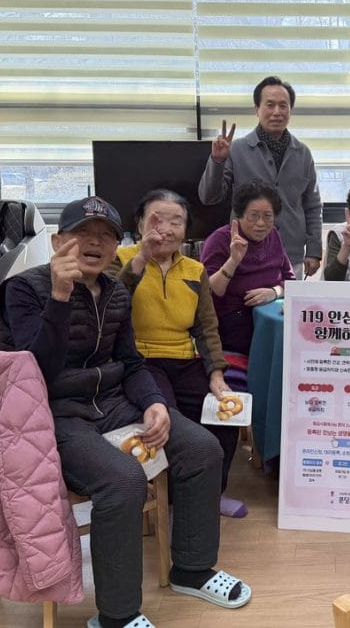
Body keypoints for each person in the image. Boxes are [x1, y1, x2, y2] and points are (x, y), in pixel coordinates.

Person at [0, 196, 251, 627]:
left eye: (106, 236)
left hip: (113, 402)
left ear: (117, 247)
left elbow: (131, 363)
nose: (95, 243)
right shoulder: (23, 289)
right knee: (123, 479)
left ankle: (192, 570)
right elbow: (35, 371)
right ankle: (115, 615)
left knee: (202, 449)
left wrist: (153, 402)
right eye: (83, 234)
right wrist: (60, 298)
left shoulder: (115, 291)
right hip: (52, 412)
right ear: (58, 241)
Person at [109, 189, 246, 519]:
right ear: (140, 224)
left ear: (186, 230)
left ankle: (212, 494)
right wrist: (142, 257)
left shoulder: (195, 270)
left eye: (176, 221)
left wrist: (216, 374)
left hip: (185, 361)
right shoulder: (121, 259)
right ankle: (170, 503)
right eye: (157, 220)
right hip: (140, 362)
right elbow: (109, 304)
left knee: (225, 417)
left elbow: (206, 327)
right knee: (171, 423)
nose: (166, 229)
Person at [198, 75, 322, 278]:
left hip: (291, 253)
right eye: (270, 105)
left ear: (291, 110)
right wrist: (217, 161)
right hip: (245, 252)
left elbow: (312, 205)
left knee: (287, 300)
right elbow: (209, 197)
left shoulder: (303, 153)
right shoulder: (237, 149)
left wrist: (314, 250)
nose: (277, 112)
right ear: (256, 109)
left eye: (283, 106)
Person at [202, 180, 295, 357]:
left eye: (268, 216)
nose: (261, 223)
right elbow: (210, 292)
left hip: (273, 310)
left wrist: (274, 292)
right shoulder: (220, 240)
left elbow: (290, 279)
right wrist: (233, 260)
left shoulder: (274, 235)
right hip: (233, 319)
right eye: (253, 216)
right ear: (240, 215)